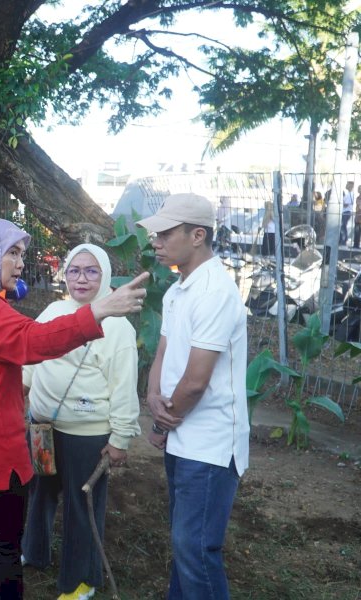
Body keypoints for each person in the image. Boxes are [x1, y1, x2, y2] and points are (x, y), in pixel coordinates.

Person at [0, 218, 149, 599]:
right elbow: (33, 342)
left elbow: (12, 353)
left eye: (22, 253)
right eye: (12, 253)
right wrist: (98, 312)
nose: (20, 263)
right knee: (1, 548)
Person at [137, 193, 249, 600]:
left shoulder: (215, 292)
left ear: (197, 235)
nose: (156, 240)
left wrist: (164, 417)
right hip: (182, 435)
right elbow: (163, 354)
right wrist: (152, 397)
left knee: (196, 548)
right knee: (186, 546)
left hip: (209, 444)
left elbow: (196, 381)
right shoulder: (177, 290)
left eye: (165, 233)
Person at [21, 243, 140, 600]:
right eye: (74, 270)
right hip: (42, 427)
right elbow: (33, 355)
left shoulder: (118, 327)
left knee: (81, 505)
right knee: (39, 491)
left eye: (91, 271)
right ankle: (34, 550)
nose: (81, 279)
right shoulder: (54, 309)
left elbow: (123, 386)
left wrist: (120, 438)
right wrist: (21, 392)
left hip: (86, 435)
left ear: (104, 276)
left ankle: (81, 580)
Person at [341, 180, 354, 246]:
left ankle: (344, 240)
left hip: (346, 211)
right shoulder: (348, 194)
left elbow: (346, 204)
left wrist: (341, 202)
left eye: (347, 184)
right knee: (343, 226)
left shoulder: (350, 194)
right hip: (346, 211)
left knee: (343, 226)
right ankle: (343, 239)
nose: (346, 185)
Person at [354, 185, 361, 249]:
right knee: (357, 233)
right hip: (358, 218)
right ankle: (356, 245)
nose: (358, 190)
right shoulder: (358, 198)